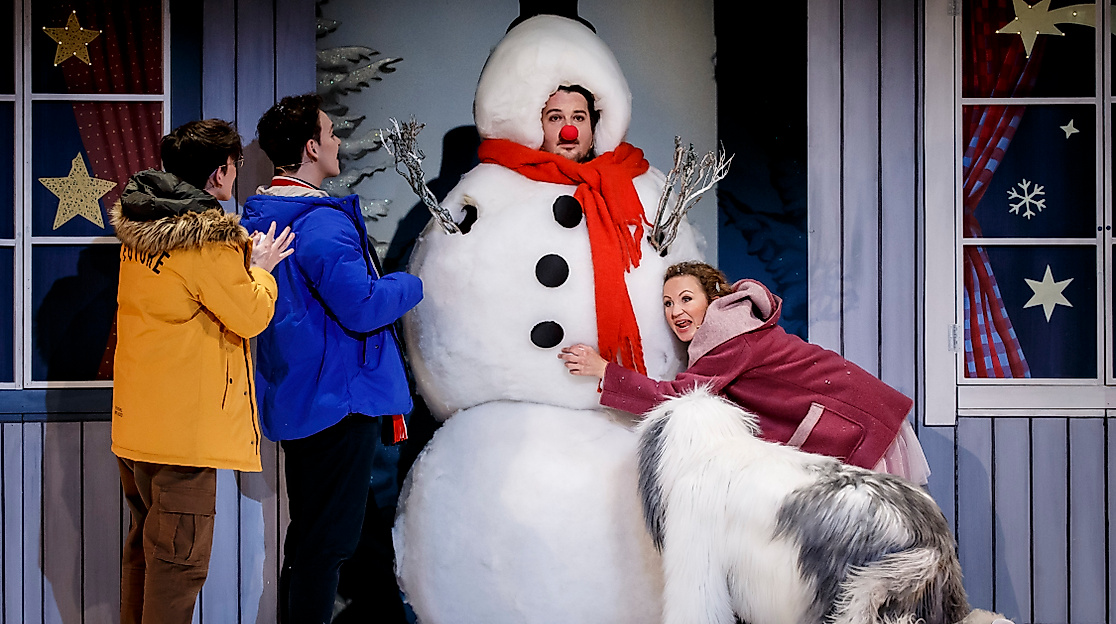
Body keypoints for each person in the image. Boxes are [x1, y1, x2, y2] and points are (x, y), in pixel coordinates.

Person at [241, 93, 423, 624]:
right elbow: (363, 307)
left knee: (313, 536)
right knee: (328, 546)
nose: (338, 140)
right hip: (339, 399)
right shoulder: (319, 223)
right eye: (330, 131)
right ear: (310, 146)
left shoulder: (268, 215)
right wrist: (412, 281)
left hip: (304, 395)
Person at [111, 118, 294, 624]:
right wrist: (260, 267)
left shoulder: (141, 229)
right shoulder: (206, 241)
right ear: (219, 173)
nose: (235, 175)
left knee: (146, 560)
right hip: (182, 440)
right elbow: (251, 315)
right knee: (178, 569)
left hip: (138, 429)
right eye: (234, 166)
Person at [560, 261, 930, 484]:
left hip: (859, 418)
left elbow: (678, 399)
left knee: (875, 543)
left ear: (713, 298)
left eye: (687, 299)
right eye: (668, 303)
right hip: (860, 413)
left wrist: (605, 370)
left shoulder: (728, 337)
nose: (675, 312)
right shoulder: (729, 331)